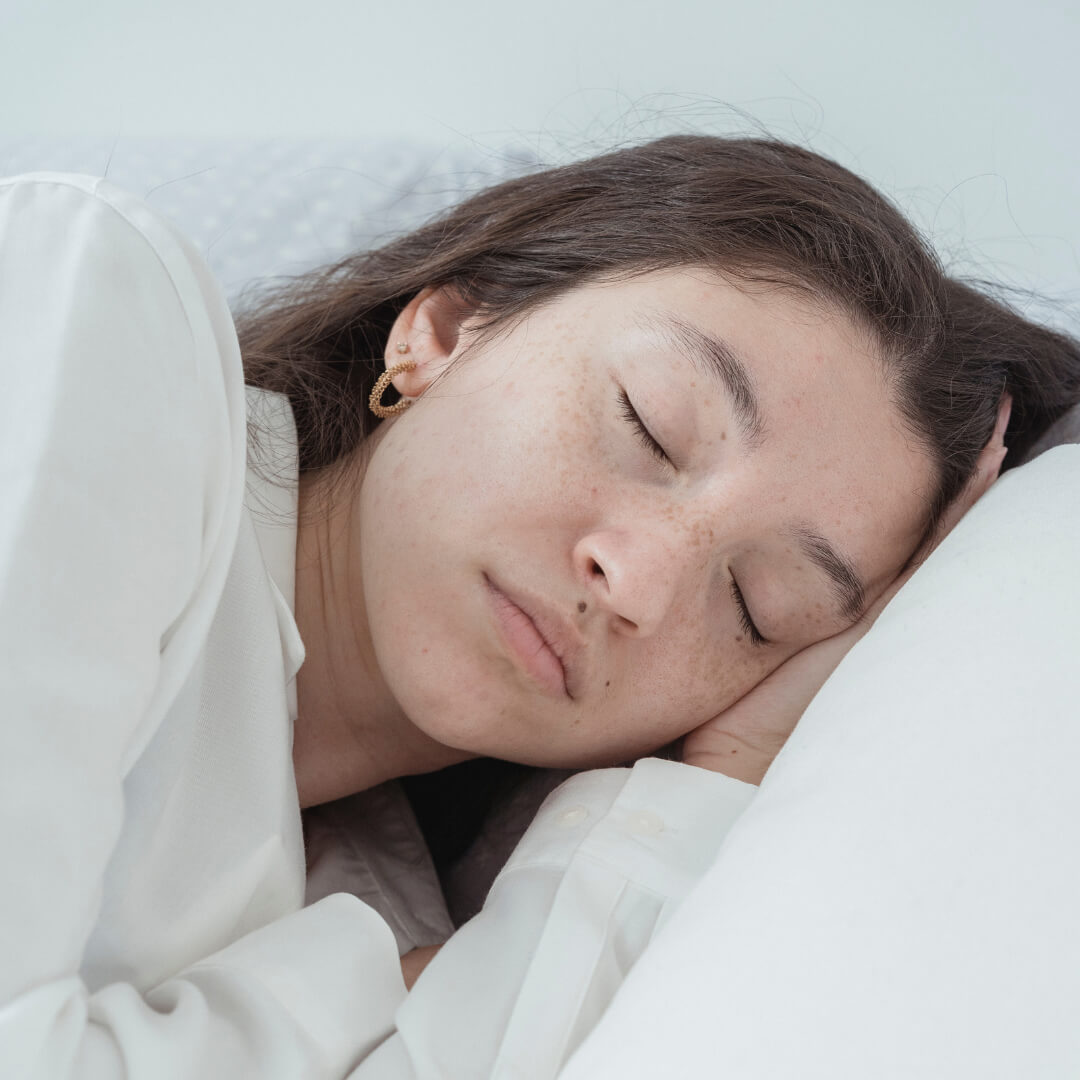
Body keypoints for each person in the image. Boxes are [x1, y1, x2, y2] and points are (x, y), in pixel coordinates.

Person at [2, 135, 1078, 1080]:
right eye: (650, 425)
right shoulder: (94, 312)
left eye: (758, 608)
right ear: (444, 327)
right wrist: (377, 985)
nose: (643, 582)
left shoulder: (398, 927)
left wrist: (730, 771)